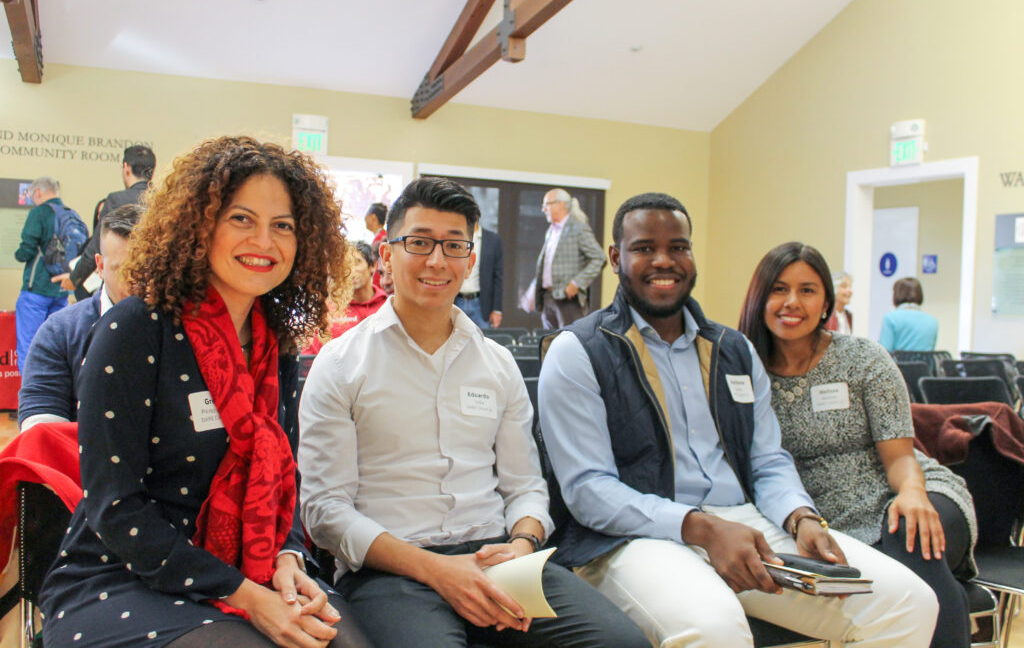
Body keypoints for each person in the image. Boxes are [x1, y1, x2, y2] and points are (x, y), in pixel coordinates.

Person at [538, 192, 938, 647]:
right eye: (645, 247)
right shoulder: (579, 351)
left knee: (909, 602)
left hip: (742, 522)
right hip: (630, 538)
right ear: (615, 257)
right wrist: (701, 528)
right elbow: (588, 490)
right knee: (715, 628)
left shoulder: (734, 350)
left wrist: (801, 518)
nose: (664, 260)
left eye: (679, 247)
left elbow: (767, 458)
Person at [39, 136, 372, 648]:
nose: (264, 241)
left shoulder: (275, 343)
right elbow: (114, 508)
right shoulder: (134, 330)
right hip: (121, 574)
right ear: (200, 225)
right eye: (241, 219)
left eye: (282, 225)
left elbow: (285, 474)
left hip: (251, 562)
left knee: (347, 641)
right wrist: (248, 596)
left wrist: (287, 559)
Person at [298, 177, 648, 648]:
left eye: (454, 245)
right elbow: (325, 511)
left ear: (471, 260)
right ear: (386, 255)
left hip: (496, 561)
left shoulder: (496, 363)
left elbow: (525, 487)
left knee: (622, 643)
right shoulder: (341, 363)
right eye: (419, 242)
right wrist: (439, 570)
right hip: (392, 571)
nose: (437, 260)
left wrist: (522, 544)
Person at [738, 242, 976, 648]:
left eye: (807, 290)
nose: (792, 302)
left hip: (904, 489)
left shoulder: (863, 359)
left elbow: (900, 456)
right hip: (826, 516)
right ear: (760, 296)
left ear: (826, 302)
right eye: (779, 289)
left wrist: (914, 493)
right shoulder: (742, 371)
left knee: (912, 544)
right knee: (900, 579)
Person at [18, 204, 143, 430]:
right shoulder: (60, 332)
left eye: (147, 268)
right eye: (123, 269)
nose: (136, 281)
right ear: (100, 266)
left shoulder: (189, 328)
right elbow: (42, 431)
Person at [59, 144, 156, 293]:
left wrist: (75, 278)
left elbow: (97, 245)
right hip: (156, 282)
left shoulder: (116, 200)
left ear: (126, 167)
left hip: (124, 283)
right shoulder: (165, 200)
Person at [14, 176, 71, 375]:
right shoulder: (70, 214)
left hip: (36, 289)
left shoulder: (39, 213)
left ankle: (32, 401)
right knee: (56, 347)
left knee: (28, 347)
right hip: (61, 289)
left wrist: (18, 255)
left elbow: (27, 249)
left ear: (38, 192)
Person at [533, 188, 605, 329]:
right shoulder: (551, 231)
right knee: (549, 344)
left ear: (560, 204)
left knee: (569, 342)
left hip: (568, 300)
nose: (543, 209)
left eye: (546, 204)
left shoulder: (578, 228)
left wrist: (577, 283)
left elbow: (599, 258)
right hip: (548, 297)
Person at [302, 241, 386, 355]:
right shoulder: (327, 311)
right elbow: (309, 358)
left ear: (372, 266)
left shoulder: (387, 305)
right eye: (346, 265)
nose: (351, 270)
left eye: (357, 262)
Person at [455, 224, 503, 329]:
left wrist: (496, 310)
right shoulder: (453, 237)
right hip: (456, 301)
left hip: (481, 304)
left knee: (482, 342)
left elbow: (498, 277)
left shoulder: (493, 240)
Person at [879, 277, 939, 352]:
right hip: (923, 364)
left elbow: (884, 352)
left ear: (896, 294)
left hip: (897, 363)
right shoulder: (932, 321)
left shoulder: (890, 318)